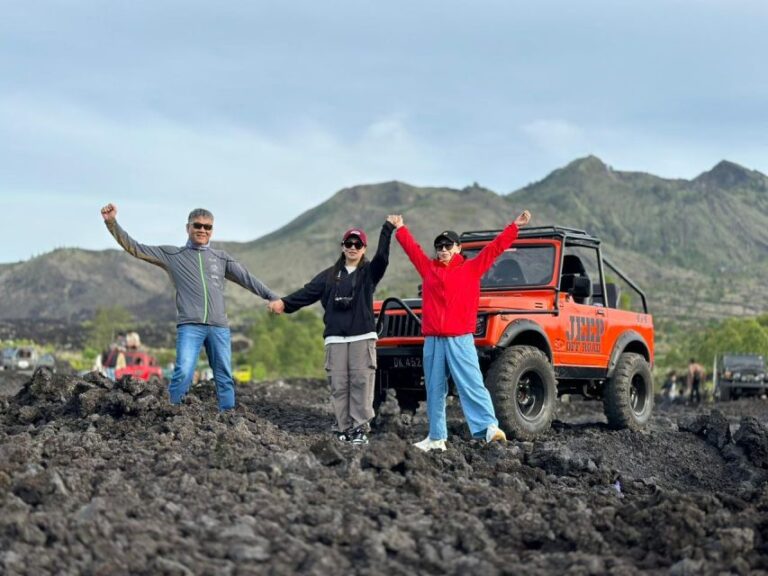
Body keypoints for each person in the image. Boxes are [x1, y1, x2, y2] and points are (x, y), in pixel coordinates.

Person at [100, 203, 279, 411]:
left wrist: (272, 297)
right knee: (183, 372)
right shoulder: (173, 255)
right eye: (198, 225)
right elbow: (135, 248)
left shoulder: (221, 258)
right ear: (188, 228)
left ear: (212, 230)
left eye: (207, 227)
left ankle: (229, 417)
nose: (202, 230)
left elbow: (247, 279)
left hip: (219, 326)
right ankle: (173, 414)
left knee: (224, 374)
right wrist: (112, 223)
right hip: (190, 326)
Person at [390, 210, 532, 451]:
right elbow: (413, 251)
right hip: (434, 340)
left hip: (460, 339)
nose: (442, 250)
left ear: (458, 248)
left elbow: (494, 249)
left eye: (447, 245)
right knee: (434, 388)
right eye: (439, 246)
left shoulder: (472, 268)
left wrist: (514, 227)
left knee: (471, 383)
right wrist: (401, 229)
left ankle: (489, 428)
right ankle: (436, 438)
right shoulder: (428, 269)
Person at [268, 219, 395, 444]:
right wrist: (284, 304)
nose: (353, 247)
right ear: (342, 246)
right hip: (335, 338)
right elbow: (306, 293)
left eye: (358, 244)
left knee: (361, 382)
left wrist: (387, 229)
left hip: (362, 337)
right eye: (349, 243)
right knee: (339, 384)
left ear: (364, 248)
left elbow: (383, 258)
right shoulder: (328, 276)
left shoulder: (369, 273)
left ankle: (358, 429)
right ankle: (342, 428)